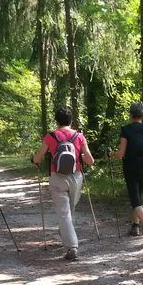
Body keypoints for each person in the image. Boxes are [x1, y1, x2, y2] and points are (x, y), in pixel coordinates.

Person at [31, 107, 95, 261]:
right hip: (76, 176)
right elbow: (90, 160)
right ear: (71, 120)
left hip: (57, 177)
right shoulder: (79, 136)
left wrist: (34, 160)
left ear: (57, 121)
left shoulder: (51, 136)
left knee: (64, 212)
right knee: (69, 209)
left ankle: (72, 246)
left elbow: (38, 157)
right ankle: (69, 238)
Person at [109, 101, 143, 247]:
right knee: (139, 196)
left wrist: (109, 154)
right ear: (142, 116)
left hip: (131, 167)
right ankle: (135, 226)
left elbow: (120, 154)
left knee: (135, 200)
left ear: (130, 115)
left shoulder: (126, 130)